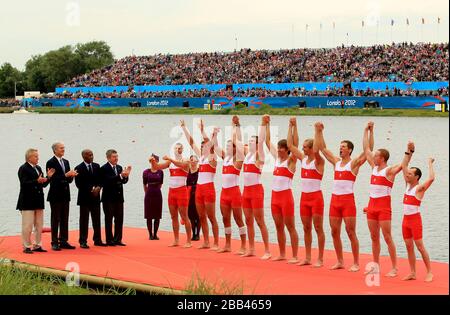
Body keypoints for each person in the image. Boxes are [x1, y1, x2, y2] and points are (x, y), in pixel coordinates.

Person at [314, 122, 371, 271]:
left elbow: (367, 151)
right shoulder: (336, 162)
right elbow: (322, 148)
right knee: (334, 231)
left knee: (350, 232)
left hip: (347, 201)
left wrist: (368, 131)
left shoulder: (353, 164)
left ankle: (356, 263)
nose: (340, 148)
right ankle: (340, 261)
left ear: (350, 150)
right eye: (340, 146)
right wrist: (319, 131)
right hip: (334, 201)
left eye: (343, 147)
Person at [363, 122, 403, 277]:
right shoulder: (374, 167)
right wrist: (367, 131)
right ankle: (376, 266)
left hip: (384, 208)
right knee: (374, 237)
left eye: (376, 155)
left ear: (383, 158)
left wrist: (409, 152)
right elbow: (366, 149)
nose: (374, 156)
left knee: (387, 237)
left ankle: (394, 267)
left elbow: (402, 165)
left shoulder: (389, 171)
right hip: (371, 207)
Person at [287, 117, 325, 267]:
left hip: (316, 198)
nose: (302, 149)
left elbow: (317, 150)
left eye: (305, 147)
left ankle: (320, 258)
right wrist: (292, 126)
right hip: (304, 198)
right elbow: (290, 145)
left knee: (318, 228)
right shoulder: (303, 159)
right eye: (302, 147)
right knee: (306, 227)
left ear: (310, 148)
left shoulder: (318, 162)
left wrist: (317, 131)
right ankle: (308, 257)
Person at [232, 115, 271, 260]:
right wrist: (236, 125)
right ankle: (252, 248)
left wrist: (262, 124)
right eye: (249, 142)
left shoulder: (258, 157)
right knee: (248, 220)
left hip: (256, 191)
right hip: (246, 191)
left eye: (252, 142)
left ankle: (267, 250)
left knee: (260, 221)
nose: (249, 144)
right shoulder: (247, 155)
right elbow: (237, 141)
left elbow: (261, 141)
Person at [264, 115, 299, 263]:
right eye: (278, 148)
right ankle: (282, 254)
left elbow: (294, 145)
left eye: (281, 149)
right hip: (275, 198)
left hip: (286, 198)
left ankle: (295, 255)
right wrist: (267, 124)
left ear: (287, 150)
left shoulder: (291, 161)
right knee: (278, 227)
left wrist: (292, 126)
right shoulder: (277, 160)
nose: (278, 150)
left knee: (290, 227)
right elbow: (267, 142)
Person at [181, 119, 219, 250]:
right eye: (201, 147)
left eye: (204, 147)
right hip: (199, 190)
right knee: (202, 217)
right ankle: (206, 242)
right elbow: (191, 143)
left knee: (211, 217)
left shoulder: (212, 159)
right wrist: (184, 128)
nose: (202, 148)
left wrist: (204, 132)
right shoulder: (201, 159)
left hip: (208, 189)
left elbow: (211, 146)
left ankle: (216, 243)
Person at [211, 116, 247, 255]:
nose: (227, 148)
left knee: (238, 219)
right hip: (224, 194)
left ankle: (244, 245)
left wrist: (236, 126)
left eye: (229, 146)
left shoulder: (238, 160)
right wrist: (214, 134)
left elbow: (238, 142)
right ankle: (227, 244)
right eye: (226, 146)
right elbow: (214, 146)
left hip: (235, 194)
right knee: (225, 218)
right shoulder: (225, 159)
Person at [401, 142, 435, 282]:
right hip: (405, 221)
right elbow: (403, 165)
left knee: (420, 247)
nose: (407, 175)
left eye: (410, 174)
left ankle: (429, 272)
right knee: (409, 247)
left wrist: (430, 163)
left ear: (416, 177)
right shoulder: (407, 185)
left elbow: (432, 178)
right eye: (407, 173)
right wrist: (409, 151)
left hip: (415, 220)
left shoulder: (419, 189)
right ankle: (413, 272)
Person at [150, 143, 192, 247]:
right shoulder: (170, 162)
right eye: (176, 148)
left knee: (184, 216)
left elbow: (180, 165)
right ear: (173, 149)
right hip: (172, 192)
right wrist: (152, 161)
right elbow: (157, 167)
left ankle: (188, 241)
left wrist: (170, 158)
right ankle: (176, 240)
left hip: (182, 191)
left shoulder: (186, 160)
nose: (178, 149)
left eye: (180, 148)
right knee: (173, 216)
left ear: (182, 150)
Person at [17, 148, 55, 253]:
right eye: (36, 156)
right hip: (27, 201)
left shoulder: (38, 168)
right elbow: (24, 184)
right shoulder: (23, 168)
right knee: (27, 225)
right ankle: (26, 246)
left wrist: (48, 177)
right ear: (29, 157)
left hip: (38, 200)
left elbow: (43, 184)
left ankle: (37, 245)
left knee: (39, 225)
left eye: (38, 156)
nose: (38, 158)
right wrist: (36, 181)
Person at [46, 142, 78, 251]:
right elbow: (53, 179)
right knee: (56, 219)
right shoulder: (50, 162)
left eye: (64, 148)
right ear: (55, 150)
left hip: (65, 194)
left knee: (65, 218)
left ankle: (63, 240)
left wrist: (72, 176)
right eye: (61, 148)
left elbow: (68, 180)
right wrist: (65, 175)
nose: (63, 149)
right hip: (55, 195)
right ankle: (54, 242)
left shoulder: (66, 161)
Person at [74, 149, 105, 248]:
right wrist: (92, 189)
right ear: (84, 156)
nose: (92, 156)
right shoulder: (78, 168)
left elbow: (100, 180)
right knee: (84, 220)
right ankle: (83, 241)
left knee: (97, 219)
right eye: (89, 155)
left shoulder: (97, 166)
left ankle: (97, 239)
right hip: (84, 198)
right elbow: (79, 184)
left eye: (92, 155)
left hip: (96, 197)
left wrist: (99, 187)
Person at [100, 149, 131, 246]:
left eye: (117, 156)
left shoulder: (119, 167)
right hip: (108, 198)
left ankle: (118, 239)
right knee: (109, 219)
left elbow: (123, 181)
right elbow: (107, 181)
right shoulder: (104, 168)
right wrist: (120, 175)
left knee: (119, 219)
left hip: (119, 197)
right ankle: (110, 240)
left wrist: (125, 176)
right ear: (108, 158)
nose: (116, 158)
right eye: (114, 157)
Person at [143, 154, 164, 240]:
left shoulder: (160, 172)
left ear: (157, 161)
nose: (153, 162)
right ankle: (150, 234)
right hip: (149, 193)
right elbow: (144, 184)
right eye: (151, 161)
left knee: (157, 215)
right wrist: (147, 193)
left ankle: (155, 234)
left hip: (158, 193)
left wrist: (156, 190)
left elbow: (161, 184)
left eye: (154, 160)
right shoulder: (146, 172)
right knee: (149, 215)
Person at [187, 155, 201, 241]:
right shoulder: (187, 171)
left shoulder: (200, 171)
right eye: (191, 160)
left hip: (198, 193)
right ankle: (193, 233)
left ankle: (197, 234)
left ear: (197, 162)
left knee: (198, 215)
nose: (192, 162)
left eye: (194, 161)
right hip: (189, 194)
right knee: (191, 215)